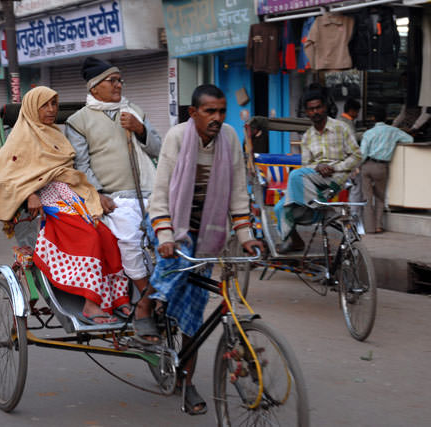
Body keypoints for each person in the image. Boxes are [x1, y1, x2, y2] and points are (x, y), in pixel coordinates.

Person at [148, 84, 264, 415]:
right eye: (209, 111)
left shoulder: (229, 138)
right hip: (171, 222)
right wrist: (166, 235)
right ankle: (149, 305)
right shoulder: (177, 137)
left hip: (208, 233)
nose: (216, 118)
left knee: (193, 317)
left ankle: (187, 382)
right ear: (193, 113)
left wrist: (246, 236)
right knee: (169, 276)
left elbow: (238, 193)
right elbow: (160, 193)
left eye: (221, 111)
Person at [0, 86, 130, 324]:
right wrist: (29, 193)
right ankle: (91, 304)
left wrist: (95, 194)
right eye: (45, 105)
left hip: (71, 194)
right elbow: (3, 175)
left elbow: (68, 169)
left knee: (107, 236)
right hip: (46, 202)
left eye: (54, 104)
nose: (52, 110)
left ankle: (117, 298)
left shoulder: (55, 135)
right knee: (89, 238)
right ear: (33, 108)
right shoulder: (19, 138)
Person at [65, 57, 162, 341]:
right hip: (114, 197)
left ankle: (160, 296)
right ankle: (145, 302)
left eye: (120, 80)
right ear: (95, 87)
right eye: (112, 80)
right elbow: (80, 164)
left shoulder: (134, 111)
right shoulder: (78, 121)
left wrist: (140, 129)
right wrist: (98, 194)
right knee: (131, 239)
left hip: (150, 191)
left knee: (170, 241)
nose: (118, 85)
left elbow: (158, 148)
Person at [275, 85, 362, 253]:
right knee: (280, 208)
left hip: (337, 178)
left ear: (325, 107)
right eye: (311, 109)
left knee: (295, 175)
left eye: (318, 107)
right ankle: (294, 240)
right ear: (307, 112)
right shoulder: (307, 136)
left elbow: (357, 156)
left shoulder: (341, 128)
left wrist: (334, 167)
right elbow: (307, 165)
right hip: (314, 181)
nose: (315, 112)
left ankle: (325, 209)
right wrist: (318, 167)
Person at [360, 106, 413, 233]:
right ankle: (378, 226)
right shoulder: (393, 131)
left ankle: (369, 228)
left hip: (367, 166)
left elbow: (362, 154)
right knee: (379, 197)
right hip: (381, 167)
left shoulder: (368, 133)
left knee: (367, 198)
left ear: (373, 118)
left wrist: (357, 167)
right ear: (386, 118)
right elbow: (410, 139)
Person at [338, 97, 364, 219]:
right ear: (352, 111)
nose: (358, 115)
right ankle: (354, 216)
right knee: (355, 189)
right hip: (349, 161)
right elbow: (352, 141)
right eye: (357, 112)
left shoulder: (337, 120)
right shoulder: (347, 123)